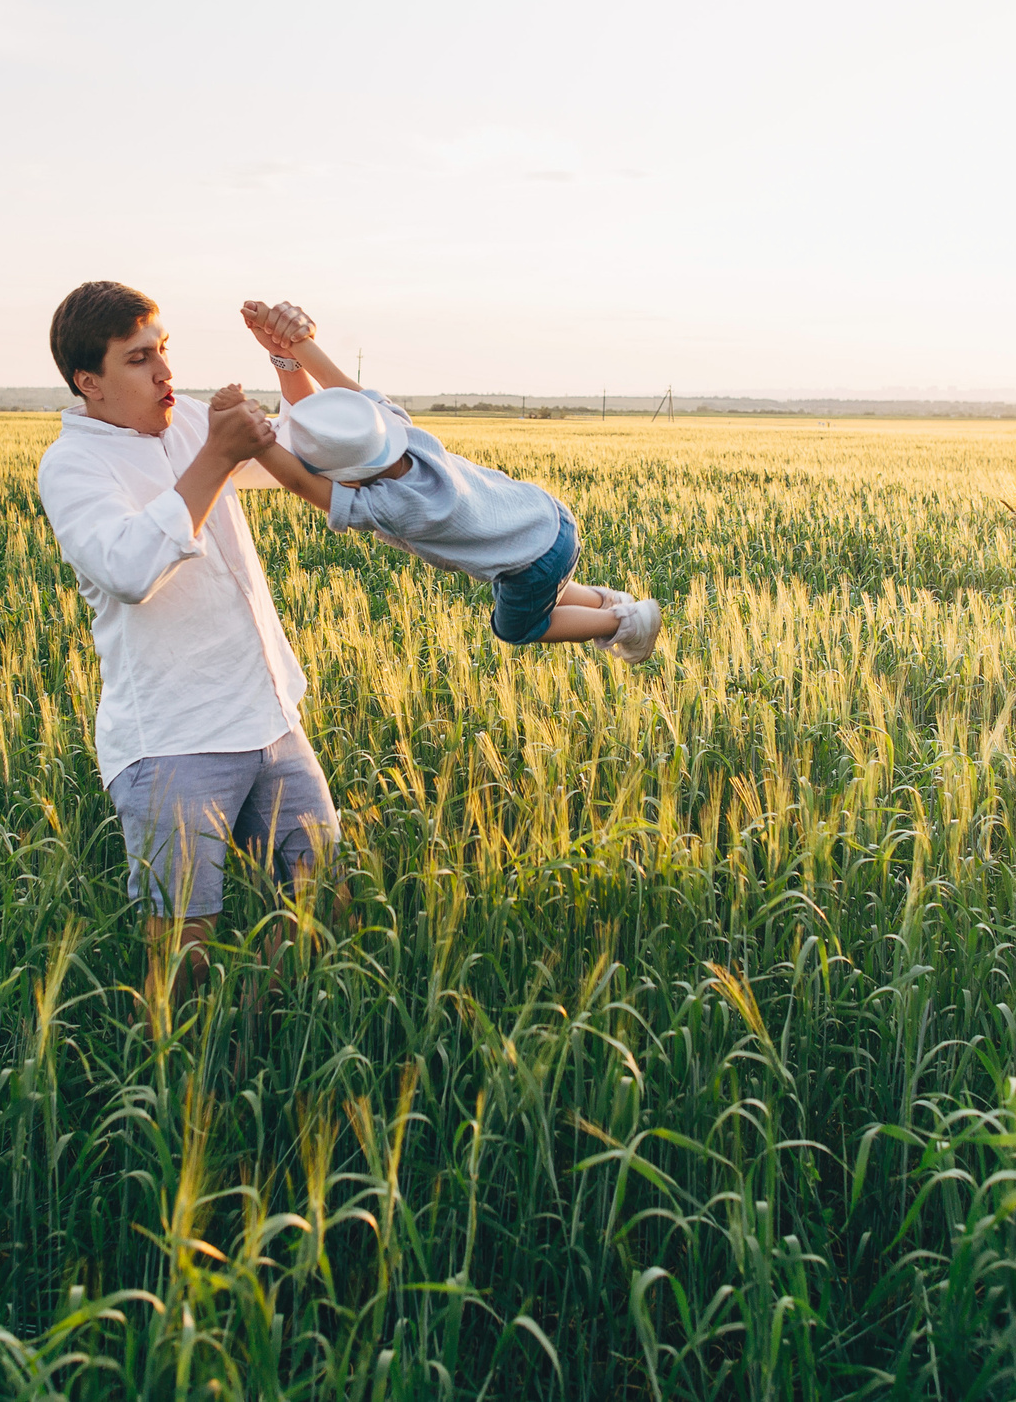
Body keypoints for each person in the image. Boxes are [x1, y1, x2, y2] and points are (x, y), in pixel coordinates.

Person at [34, 281, 338, 1000]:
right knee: (182, 959)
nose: (166, 371)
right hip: (173, 739)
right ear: (90, 383)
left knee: (322, 902)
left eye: (164, 349)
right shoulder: (74, 465)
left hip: (269, 716)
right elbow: (132, 569)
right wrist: (217, 455)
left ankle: (254, 1044)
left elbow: (315, 455)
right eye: (140, 359)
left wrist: (290, 359)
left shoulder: (193, 422)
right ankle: (185, 1086)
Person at [236, 298, 662, 663]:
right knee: (543, 588)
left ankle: (623, 621)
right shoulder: (398, 427)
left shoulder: (388, 505)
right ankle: (610, 602)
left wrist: (253, 435)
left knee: (517, 625)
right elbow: (338, 382)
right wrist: (293, 341)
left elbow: (298, 483)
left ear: (340, 476)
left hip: (527, 563)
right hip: (549, 517)